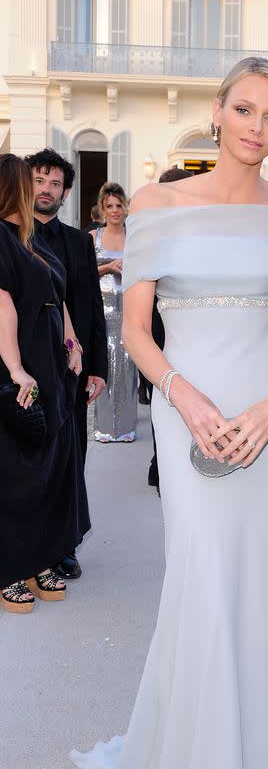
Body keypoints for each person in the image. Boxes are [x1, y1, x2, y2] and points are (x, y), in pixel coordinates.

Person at [70, 56, 268, 769]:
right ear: (217, 112)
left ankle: (252, 767)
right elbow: (139, 332)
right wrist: (186, 399)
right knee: (204, 580)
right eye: (245, 109)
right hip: (189, 417)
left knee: (262, 583)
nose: (258, 127)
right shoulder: (155, 205)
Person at [0, 154, 90, 613]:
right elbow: (3, 307)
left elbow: (60, 296)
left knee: (50, 467)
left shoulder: (31, 239)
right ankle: (10, 568)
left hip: (54, 366)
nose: (38, 189)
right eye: (28, 181)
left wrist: (73, 343)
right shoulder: (0, 238)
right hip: (23, 365)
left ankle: (37, 560)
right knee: (19, 473)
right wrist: (15, 369)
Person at [25, 147, 108, 581]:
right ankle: (27, 548)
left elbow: (90, 306)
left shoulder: (79, 242)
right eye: (39, 181)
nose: (46, 189)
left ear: (65, 192)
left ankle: (64, 547)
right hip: (23, 369)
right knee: (30, 459)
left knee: (71, 458)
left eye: (55, 183)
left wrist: (99, 368)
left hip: (71, 373)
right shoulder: (10, 236)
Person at [145, 166, 194, 493]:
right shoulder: (153, 233)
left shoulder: (197, 231)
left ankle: (168, 464)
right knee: (162, 395)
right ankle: (161, 464)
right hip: (155, 327)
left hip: (186, 328)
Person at [92, 182, 137, 442]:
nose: (115, 210)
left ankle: (127, 428)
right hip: (102, 310)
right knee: (104, 366)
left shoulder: (134, 237)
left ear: (125, 207)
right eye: (109, 206)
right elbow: (84, 273)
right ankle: (104, 427)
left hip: (129, 308)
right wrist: (108, 267)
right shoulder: (93, 238)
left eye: (119, 205)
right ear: (102, 209)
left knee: (128, 367)